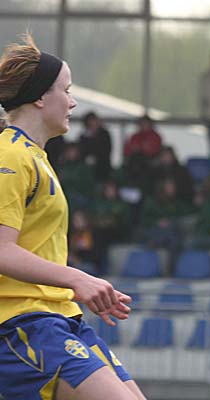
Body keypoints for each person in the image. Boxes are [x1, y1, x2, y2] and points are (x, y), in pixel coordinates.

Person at [0, 33, 145, 399]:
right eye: (66, 90)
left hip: (61, 317)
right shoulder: (10, 156)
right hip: (23, 320)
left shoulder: (35, 157)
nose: (73, 101)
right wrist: (77, 278)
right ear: (39, 97)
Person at [78, 111, 113, 182]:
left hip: (103, 167)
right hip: (86, 168)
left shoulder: (104, 134)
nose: (93, 125)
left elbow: (106, 150)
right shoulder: (83, 136)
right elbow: (81, 150)